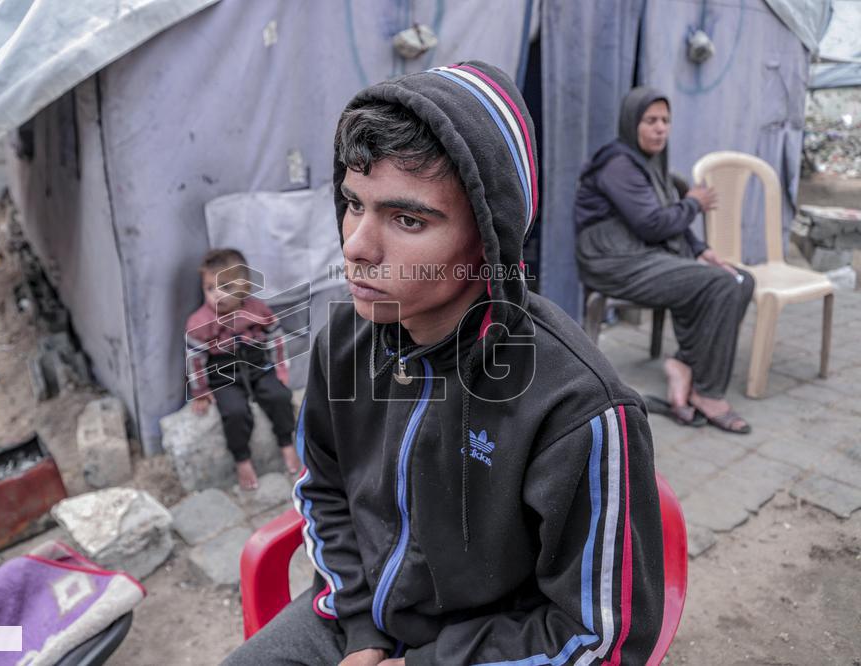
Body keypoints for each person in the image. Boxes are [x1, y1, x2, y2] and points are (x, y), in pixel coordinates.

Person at [225, 61, 663, 665]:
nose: (355, 246)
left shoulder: (576, 408)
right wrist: (361, 634)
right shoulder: (344, 342)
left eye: (407, 219)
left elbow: (601, 636)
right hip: (357, 619)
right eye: (354, 204)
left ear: (489, 235)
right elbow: (325, 489)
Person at [575, 87, 755, 434]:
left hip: (644, 254)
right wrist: (695, 204)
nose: (660, 128)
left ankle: (684, 365)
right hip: (614, 260)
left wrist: (701, 250)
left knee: (739, 279)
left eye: (666, 121)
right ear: (632, 123)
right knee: (719, 283)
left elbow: (667, 212)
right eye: (651, 120)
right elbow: (653, 223)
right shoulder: (618, 164)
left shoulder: (653, 166)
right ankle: (707, 393)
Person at [185, 248, 301, 490]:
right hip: (223, 373)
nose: (216, 295)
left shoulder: (257, 310)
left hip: (257, 364)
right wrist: (201, 391)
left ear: (245, 288)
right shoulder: (199, 322)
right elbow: (194, 360)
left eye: (226, 287)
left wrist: (280, 367)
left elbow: (276, 337)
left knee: (279, 396)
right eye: (209, 288)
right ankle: (242, 459)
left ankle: (286, 442)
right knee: (235, 411)